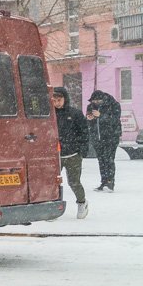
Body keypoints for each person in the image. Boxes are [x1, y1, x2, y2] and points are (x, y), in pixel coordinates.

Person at [52, 87, 89, 219]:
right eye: (54, 100)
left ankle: (82, 202)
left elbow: (84, 132)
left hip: (73, 154)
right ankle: (53, 207)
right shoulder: (50, 115)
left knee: (74, 182)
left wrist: (82, 150)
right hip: (55, 155)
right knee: (52, 182)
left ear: (65, 99)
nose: (56, 102)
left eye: (59, 100)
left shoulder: (75, 114)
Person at [87, 90, 122, 192]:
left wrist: (101, 115)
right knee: (101, 160)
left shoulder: (113, 105)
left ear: (103, 99)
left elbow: (114, 119)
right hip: (97, 138)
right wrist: (89, 119)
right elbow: (90, 123)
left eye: (98, 101)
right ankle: (103, 182)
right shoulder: (91, 107)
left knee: (109, 159)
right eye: (94, 101)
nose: (96, 103)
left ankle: (110, 183)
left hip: (111, 137)